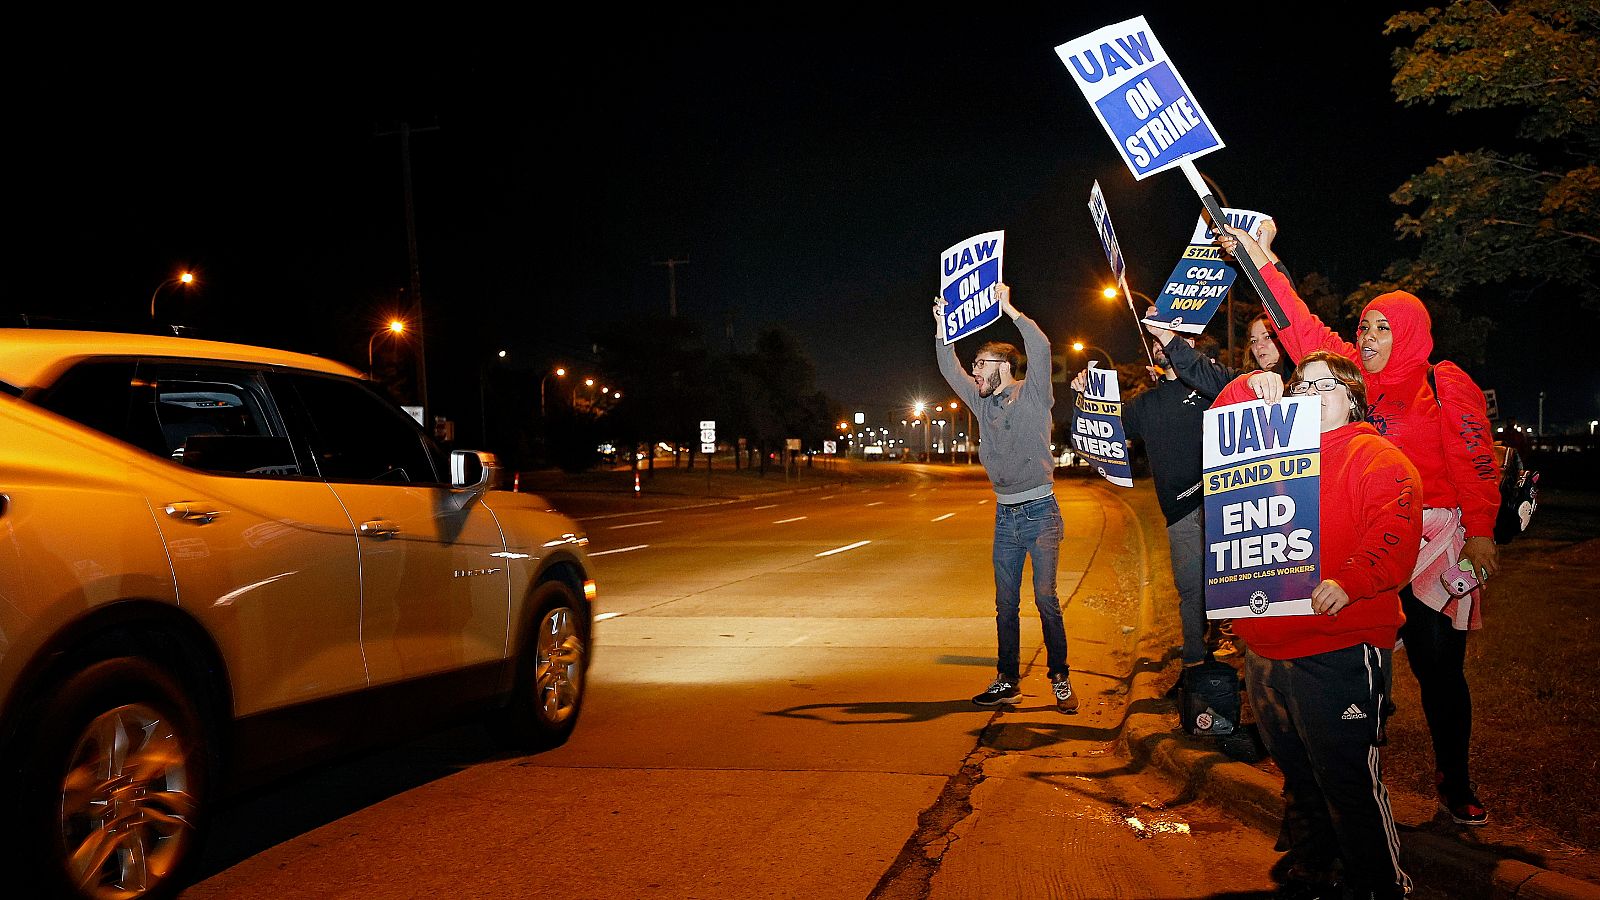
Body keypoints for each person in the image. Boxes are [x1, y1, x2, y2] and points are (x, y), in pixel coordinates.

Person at [1217, 223, 1501, 826]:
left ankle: (1455, 782)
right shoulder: (1349, 377)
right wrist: (1256, 258)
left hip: (1431, 543)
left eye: (1381, 329)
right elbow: (1295, 322)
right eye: (1364, 326)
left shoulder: (1441, 383)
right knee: (1362, 656)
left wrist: (1480, 531)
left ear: (1411, 335)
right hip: (1358, 538)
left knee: (1438, 668)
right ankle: (1358, 763)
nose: (1367, 338)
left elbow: (1476, 459)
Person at [1214, 352, 1422, 899]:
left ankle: (1378, 885)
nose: (1311, 392)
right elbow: (1220, 432)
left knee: (1346, 780)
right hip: (1267, 649)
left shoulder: (1377, 457)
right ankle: (1313, 866)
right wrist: (1248, 387)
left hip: (1339, 646)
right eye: (1300, 386)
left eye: (1326, 385)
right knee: (1300, 777)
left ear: (1352, 398)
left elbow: (1396, 532)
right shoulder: (1274, 451)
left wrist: (1352, 580)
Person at [934, 284, 1076, 713]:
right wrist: (943, 327)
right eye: (974, 364)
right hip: (1005, 517)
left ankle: (1060, 677)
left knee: (1046, 598)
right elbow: (948, 369)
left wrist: (1008, 308)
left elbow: (1041, 343)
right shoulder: (982, 406)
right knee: (1005, 604)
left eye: (981, 364)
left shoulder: (1033, 394)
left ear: (1005, 366)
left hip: (1041, 514)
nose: (974, 371)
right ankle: (1007, 679)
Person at [1075, 321, 1216, 673]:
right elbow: (1104, 431)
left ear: (1191, 343)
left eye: (1171, 337)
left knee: (1229, 584)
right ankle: (1196, 665)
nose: (1161, 343)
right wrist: (1084, 396)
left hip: (1224, 503)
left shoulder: (1212, 386)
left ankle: (1224, 648)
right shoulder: (1143, 405)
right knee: (1190, 589)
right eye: (1156, 338)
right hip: (1180, 509)